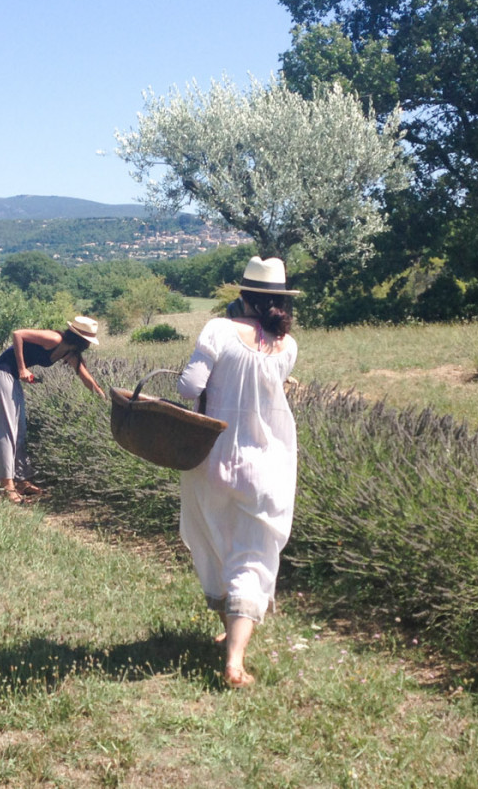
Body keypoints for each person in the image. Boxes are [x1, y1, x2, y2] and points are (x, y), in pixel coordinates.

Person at [176, 256, 300, 688]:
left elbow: (189, 386)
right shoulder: (288, 345)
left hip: (212, 456)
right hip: (265, 462)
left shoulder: (218, 329)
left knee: (216, 539)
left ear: (242, 295)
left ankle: (229, 623)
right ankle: (235, 660)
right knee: (254, 556)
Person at [0, 316, 106, 503]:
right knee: (8, 429)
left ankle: (21, 480)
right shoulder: (54, 339)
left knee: (20, 430)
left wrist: (103, 398)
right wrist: (22, 369)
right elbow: (18, 334)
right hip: (2, 373)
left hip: (12, 378)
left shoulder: (69, 352)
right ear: (81, 339)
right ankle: (7, 485)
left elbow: (85, 376)